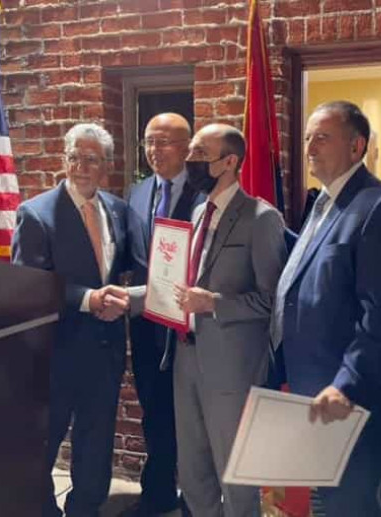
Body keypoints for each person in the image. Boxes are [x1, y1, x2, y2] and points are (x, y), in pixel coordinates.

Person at [133, 123, 286, 517]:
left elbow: (273, 302)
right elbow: (179, 282)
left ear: (230, 162)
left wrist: (214, 303)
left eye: (200, 154)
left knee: (235, 477)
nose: (191, 161)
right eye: (191, 153)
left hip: (232, 366)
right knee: (193, 470)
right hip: (185, 358)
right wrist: (133, 297)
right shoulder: (200, 212)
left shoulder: (261, 218)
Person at [271, 101, 381, 516]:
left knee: (350, 504)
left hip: (349, 396)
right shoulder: (324, 201)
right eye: (308, 138)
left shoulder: (380, 206)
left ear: (357, 147)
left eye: (322, 137)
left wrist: (346, 384)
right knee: (327, 499)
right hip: (311, 385)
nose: (309, 148)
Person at [11, 123, 147, 517]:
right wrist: (89, 299)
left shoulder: (118, 210)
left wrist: (128, 298)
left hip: (105, 348)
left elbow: (127, 267)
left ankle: (85, 508)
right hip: (56, 348)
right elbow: (30, 283)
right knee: (43, 442)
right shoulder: (36, 214)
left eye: (91, 159)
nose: (81, 167)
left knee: (96, 441)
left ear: (107, 165)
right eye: (74, 157)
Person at [126, 113, 204, 516]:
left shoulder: (206, 191)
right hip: (146, 325)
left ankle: (194, 501)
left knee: (191, 418)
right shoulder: (137, 193)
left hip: (192, 326)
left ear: (187, 147)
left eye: (165, 142)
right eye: (149, 142)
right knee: (154, 413)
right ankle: (156, 494)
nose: (155, 150)